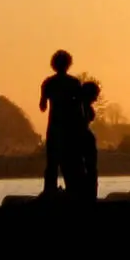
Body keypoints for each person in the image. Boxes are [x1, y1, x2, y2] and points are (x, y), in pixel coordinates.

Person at [39, 50, 84, 196]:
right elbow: (79, 108)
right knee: (70, 163)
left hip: (54, 127)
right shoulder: (74, 83)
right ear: (69, 64)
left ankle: (49, 192)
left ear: (53, 65)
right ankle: (72, 192)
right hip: (70, 128)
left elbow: (42, 107)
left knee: (52, 163)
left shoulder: (48, 83)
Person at [80, 80, 101, 201]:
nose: (96, 99)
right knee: (90, 169)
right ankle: (90, 195)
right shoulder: (83, 108)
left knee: (88, 169)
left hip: (84, 138)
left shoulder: (83, 107)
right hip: (84, 139)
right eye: (95, 96)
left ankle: (88, 195)